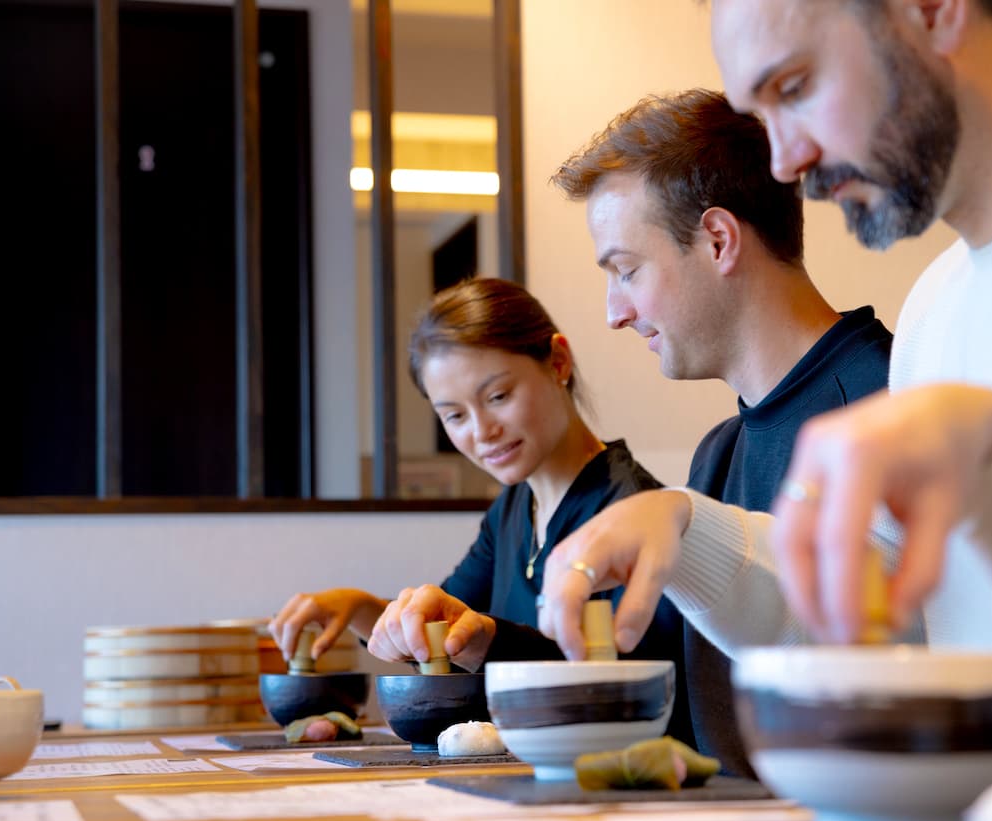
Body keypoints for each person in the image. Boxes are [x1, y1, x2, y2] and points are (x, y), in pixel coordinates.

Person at [539, 0, 992, 779]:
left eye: (793, 86)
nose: (783, 162)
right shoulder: (936, 304)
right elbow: (891, 618)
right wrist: (687, 530)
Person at [549, 88, 895, 774]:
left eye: (626, 271)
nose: (615, 313)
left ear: (717, 239)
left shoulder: (888, 406)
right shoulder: (719, 453)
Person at [269, 277, 693, 741]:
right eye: (455, 416)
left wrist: (485, 640)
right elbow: (443, 635)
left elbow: (625, 692)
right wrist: (361, 609)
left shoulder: (631, 509)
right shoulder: (514, 508)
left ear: (558, 362)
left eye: (497, 397)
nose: (482, 431)